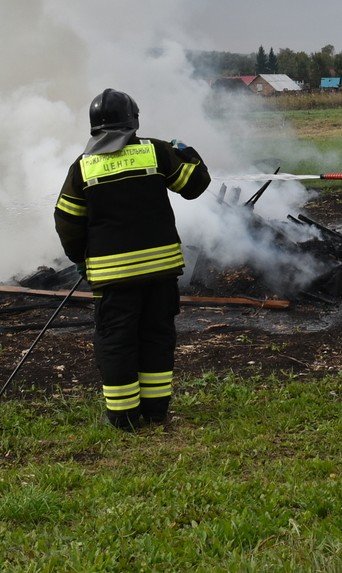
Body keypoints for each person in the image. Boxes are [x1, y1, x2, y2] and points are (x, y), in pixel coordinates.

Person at [53, 88, 210, 431]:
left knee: (116, 340)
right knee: (157, 335)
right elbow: (196, 184)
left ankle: (124, 417)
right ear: (133, 120)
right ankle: (156, 412)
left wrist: (81, 260)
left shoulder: (82, 168)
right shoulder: (156, 152)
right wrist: (187, 152)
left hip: (113, 277)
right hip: (160, 271)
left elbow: (67, 221)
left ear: (94, 128)